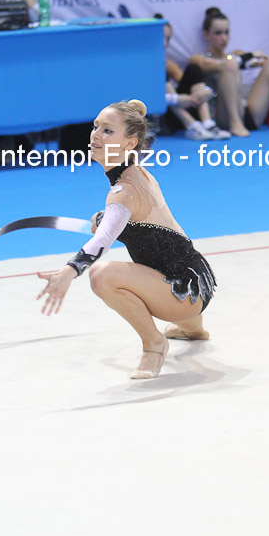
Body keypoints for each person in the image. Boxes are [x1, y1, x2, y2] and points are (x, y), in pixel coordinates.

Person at [36, 99, 216, 380]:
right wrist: (105, 218)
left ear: (129, 143)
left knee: (101, 275)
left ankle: (154, 344)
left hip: (181, 292)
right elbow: (149, 225)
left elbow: (103, 240)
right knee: (160, 261)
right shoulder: (138, 172)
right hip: (196, 280)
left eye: (108, 130)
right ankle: (193, 329)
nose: (96, 135)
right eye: (96, 126)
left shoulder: (124, 191)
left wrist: (69, 271)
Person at [190, 7, 269, 136]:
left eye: (226, 32)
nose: (224, 38)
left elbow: (262, 60)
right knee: (230, 64)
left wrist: (255, 61)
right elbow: (218, 65)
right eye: (218, 33)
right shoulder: (198, 58)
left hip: (245, 111)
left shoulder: (232, 55)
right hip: (220, 115)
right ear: (205, 34)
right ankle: (235, 123)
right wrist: (245, 58)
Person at [163, 20, 231, 139]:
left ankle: (208, 124)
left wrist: (206, 91)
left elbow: (185, 81)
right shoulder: (144, 65)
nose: (165, 43)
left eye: (168, 39)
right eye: (161, 38)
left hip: (184, 105)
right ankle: (191, 125)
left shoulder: (169, 63)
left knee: (194, 69)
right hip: (161, 117)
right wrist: (176, 99)